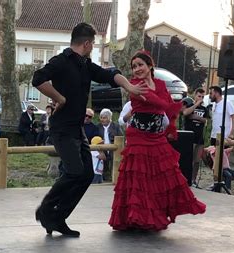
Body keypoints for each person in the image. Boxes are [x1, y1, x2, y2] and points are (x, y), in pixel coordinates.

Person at [32, 22, 148, 237]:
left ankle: (58, 217)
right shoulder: (61, 61)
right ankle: (46, 210)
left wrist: (129, 87)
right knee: (75, 171)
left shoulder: (85, 65)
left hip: (77, 130)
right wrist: (59, 98)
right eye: (93, 43)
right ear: (86, 43)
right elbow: (37, 79)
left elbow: (110, 74)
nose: (93, 47)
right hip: (62, 129)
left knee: (85, 174)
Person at [108, 51, 206, 231]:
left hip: (156, 137)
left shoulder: (160, 84)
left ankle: (156, 214)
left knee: (163, 176)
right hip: (138, 137)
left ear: (150, 65)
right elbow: (158, 102)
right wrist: (171, 106)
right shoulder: (136, 85)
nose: (137, 69)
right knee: (139, 179)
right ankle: (136, 217)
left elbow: (169, 110)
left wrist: (171, 125)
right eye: (134, 66)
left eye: (140, 65)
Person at [182, 88, 209, 185]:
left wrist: (196, 117)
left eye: (202, 97)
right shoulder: (189, 105)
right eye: (199, 96)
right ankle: (186, 178)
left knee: (197, 160)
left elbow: (205, 120)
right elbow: (185, 113)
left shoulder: (205, 109)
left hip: (199, 137)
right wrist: (196, 104)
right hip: (189, 136)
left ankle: (193, 179)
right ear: (195, 95)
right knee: (188, 159)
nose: (201, 98)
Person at [97, 108, 123, 180]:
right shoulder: (98, 127)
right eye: (101, 118)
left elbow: (121, 137)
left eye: (104, 118)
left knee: (114, 157)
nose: (102, 119)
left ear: (109, 118)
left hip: (114, 148)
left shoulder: (116, 126)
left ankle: (115, 176)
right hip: (102, 148)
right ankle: (104, 176)